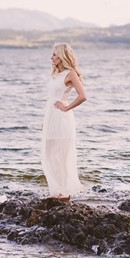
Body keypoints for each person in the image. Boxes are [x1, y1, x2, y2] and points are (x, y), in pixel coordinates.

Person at [41, 42, 87, 200]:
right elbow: (50, 98)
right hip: (51, 116)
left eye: (54, 54)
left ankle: (63, 192)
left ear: (62, 56)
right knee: (49, 153)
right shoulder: (55, 74)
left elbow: (83, 96)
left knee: (60, 154)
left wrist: (67, 108)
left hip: (62, 117)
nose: (51, 57)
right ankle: (57, 190)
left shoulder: (70, 73)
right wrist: (46, 120)